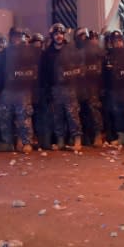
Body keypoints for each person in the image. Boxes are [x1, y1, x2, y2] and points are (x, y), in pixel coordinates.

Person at [40, 23, 83, 151]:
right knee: (57, 115)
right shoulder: (48, 53)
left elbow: (79, 69)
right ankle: (60, 140)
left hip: (70, 88)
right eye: (56, 34)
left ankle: (77, 139)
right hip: (55, 89)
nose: (58, 36)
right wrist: (47, 90)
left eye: (60, 33)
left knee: (72, 115)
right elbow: (45, 73)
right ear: (52, 36)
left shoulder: (71, 49)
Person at [0, 27, 39, 153]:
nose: (17, 38)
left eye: (19, 36)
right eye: (15, 36)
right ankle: (9, 142)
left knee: (23, 115)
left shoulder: (28, 51)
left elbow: (34, 69)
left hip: (22, 88)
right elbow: (0, 70)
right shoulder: (5, 52)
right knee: (4, 114)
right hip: (8, 88)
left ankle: (26, 142)